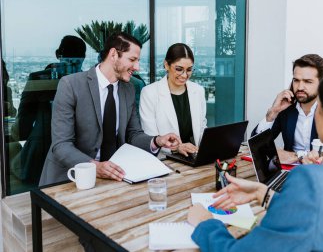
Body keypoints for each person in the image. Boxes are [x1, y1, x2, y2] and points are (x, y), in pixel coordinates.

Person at [187, 65, 323, 251]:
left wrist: (206, 223)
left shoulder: (312, 180)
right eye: (296, 80)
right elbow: (317, 214)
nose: (300, 86)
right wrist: (264, 193)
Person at [39, 32, 181, 186]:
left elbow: (134, 134)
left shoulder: (129, 89)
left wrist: (157, 140)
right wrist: (96, 167)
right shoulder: (71, 85)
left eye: (138, 61)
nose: (137, 67)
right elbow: (61, 145)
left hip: (113, 177)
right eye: (132, 60)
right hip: (71, 178)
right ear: (113, 54)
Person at [10, 35, 87, 184]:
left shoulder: (39, 80)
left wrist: (21, 133)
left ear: (58, 55)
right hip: (59, 150)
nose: (71, 67)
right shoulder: (85, 81)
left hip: (43, 149)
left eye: (75, 63)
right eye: (70, 62)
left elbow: (24, 119)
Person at [251, 54, 323, 163]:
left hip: (318, 172)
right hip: (288, 171)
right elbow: (256, 144)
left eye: (307, 81)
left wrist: (298, 156)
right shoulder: (286, 109)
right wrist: (272, 113)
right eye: (296, 80)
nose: (300, 87)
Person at [139, 43, 206, 156]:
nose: (184, 75)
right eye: (179, 69)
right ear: (166, 65)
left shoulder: (198, 91)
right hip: (166, 160)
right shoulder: (149, 93)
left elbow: (202, 127)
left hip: (194, 157)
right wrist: (177, 148)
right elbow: (151, 136)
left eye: (189, 70)